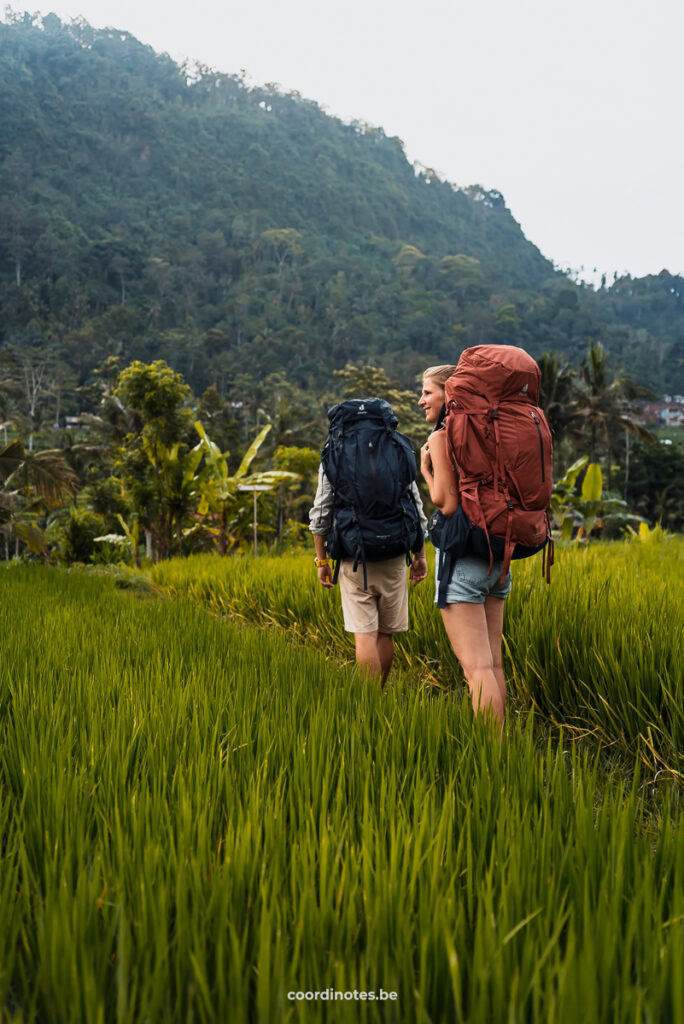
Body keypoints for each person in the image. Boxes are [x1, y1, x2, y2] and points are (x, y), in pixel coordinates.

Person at [309, 398, 429, 688]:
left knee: (365, 634)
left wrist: (322, 559)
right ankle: (381, 694)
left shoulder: (335, 452)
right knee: (385, 634)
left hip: (354, 555)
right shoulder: (398, 449)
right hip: (395, 553)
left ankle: (369, 703)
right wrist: (420, 554)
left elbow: (322, 511)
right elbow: (414, 503)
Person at [418, 365, 510, 726]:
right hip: (498, 559)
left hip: (461, 564)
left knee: (477, 669)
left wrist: (425, 469)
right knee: (493, 664)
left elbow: (446, 502)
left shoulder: (443, 436)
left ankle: (494, 756)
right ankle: (504, 751)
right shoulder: (494, 430)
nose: (422, 400)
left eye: (428, 392)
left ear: (449, 394)